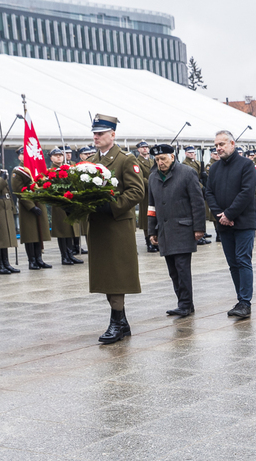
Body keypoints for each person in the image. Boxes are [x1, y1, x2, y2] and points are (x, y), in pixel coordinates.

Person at [86, 114, 146, 344]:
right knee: (105, 274)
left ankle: (117, 322)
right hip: (99, 227)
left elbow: (136, 191)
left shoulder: (125, 159)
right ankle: (122, 321)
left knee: (117, 275)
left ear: (113, 134)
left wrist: (111, 207)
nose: (96, 137)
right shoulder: (91, 160)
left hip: (117, 226)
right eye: (94, 133)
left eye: (101, 133)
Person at [147, 143, 205, 318]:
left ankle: (186, 304)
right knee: (172, 270)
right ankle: (183, 302)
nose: (160, 163)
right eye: (157, 160)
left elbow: (197, 202)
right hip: (164, 230)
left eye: (163, 158)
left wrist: (199, 228)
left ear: (172, 157)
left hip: (183, 229)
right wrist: (152, 230)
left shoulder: (187, 173)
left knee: (182, 268)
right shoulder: (153, 177)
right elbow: (151, 206)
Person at [206, 130, 256, 319]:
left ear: (232, 144)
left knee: (243, 260)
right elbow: (209, 193)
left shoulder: (246, 165)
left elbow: (246, 192)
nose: (218, 148)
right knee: (233, 263)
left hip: (243, 222)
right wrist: (220, 215)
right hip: (223, 223)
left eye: (222, 144)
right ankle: (240, 298)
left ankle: (245, 302)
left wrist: (229, 213)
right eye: (216, 145)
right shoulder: (215, 168)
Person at [11, 147, 52, 270]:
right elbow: (18, 191)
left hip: (39, 202)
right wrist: (31, 206)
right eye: (23, 154)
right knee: (30, 235)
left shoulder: (36, 169)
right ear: (20, 157)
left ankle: (39, 259)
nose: (26, 156)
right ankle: (32, 260)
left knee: (39, 233)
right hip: (27, 206)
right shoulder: (18, 171)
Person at [47, 147, 83, 266]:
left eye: (60, 155)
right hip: (59, 203)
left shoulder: (68, 169)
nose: (59, 157)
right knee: (62, 231)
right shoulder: (50, 171)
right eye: (56, 155)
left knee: (70, 230)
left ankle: (70, 254)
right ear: (51, 157)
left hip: (70, 201)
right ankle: (64, 256)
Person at [135, 141, 158, 253]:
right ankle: (148, 241)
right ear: (138, 150)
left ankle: (156, 240)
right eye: (142, 147)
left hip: (156, 191)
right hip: (146, 192)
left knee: (156, 215)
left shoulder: (151, 161)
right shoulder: (136, 161)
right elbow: (140, 177)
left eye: (146, 147)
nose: (145, 149)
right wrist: (152, 183)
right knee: (146, 217)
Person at [71, 146, 94, 256]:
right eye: (85, 154)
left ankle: (92, 245)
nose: (88, 156)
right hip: (81, 199)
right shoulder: (77, 167)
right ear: (80, 156)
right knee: (82, 226)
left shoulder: (93, 165)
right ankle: (77, 246)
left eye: (89, 154)